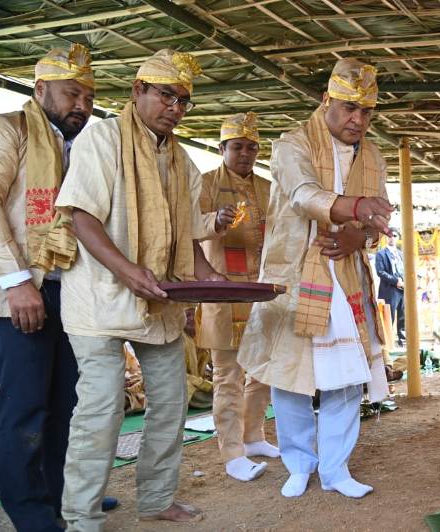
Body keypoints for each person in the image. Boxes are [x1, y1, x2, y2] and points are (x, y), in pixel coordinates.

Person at [55, 49, 225, 528]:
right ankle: (81, 517)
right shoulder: (103, 139)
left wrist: (208, 275)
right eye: (166, 95)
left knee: (170, 404)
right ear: (138, 91)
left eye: (183, 101)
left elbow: (186, 233)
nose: (175, 108)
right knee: (102, 410)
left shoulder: (182, 160)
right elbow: (81, 216)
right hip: (98, 303)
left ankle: (155, 499)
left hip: (160, 303)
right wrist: (127, 270)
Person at [237, 57, 393, 500]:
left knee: (347, 376)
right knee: (291, 378)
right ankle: (299, 464)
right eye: (348, 108)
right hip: (295, 276)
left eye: (366, 112)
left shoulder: (374, 156)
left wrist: (359, 237)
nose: (357, 119)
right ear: (326, 100)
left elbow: (378, 222)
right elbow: (304, 195)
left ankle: (335, 469)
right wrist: (357, 209)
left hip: (346, 277)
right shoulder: (292, 144)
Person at [0, 44, 97, 532]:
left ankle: (62, 497)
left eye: (89, 97)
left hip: (71, 293)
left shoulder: (84, 146)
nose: (82, 104)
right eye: (71, 93)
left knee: (67, 407)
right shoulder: (9, 130)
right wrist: (16, 282)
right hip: (18, 293)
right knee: (24, 409)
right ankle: (30, 512)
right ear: (40, 90)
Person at [196, 112, 278, 482]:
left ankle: (253, 437)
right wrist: (214, 220)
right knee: (227, 376)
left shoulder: (268, 187)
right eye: (237, 147)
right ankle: (231, 453)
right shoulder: (205, 183)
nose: (245, 154)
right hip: (223, 292)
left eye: (251, 147)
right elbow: (187, 228)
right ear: (221, 149)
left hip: (262, 291)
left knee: (262, 371)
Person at [375, 228, 405, 346]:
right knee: (389, 317)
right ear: (386, 238)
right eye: (389, 236)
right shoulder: (381, 254)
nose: (392, 238)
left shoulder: (401, 254)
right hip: (389, 289)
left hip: (403, 289)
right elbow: (380, 272)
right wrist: (395, 281)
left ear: (398, 238)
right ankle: (387, 343)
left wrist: (405, 282)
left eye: (394, 236)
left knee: (403, 316)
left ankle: (403, 342)